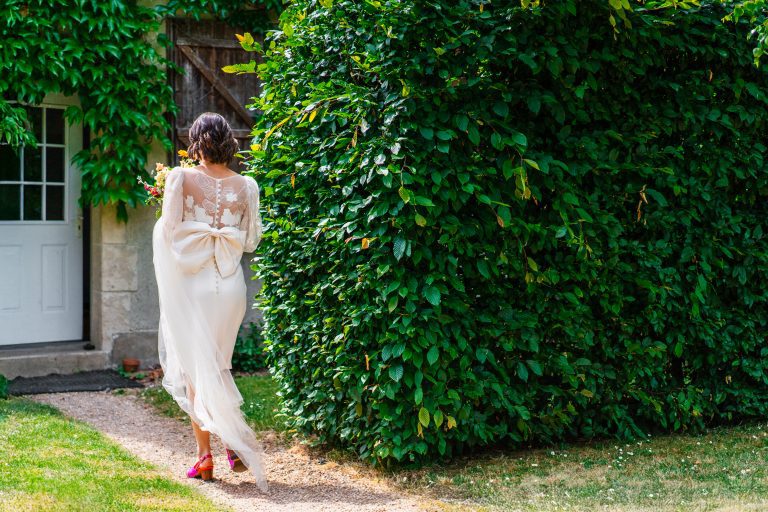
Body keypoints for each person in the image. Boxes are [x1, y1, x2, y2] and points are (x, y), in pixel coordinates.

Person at [152, 112, 267, 490]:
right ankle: (231, 440)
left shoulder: (180, 178)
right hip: (231, 288)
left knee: (192, 371)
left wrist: (194, 234)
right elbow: (250, 242)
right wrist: (222, 233)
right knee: (218, 367)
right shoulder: (247, 185)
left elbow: (168, 233)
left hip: (195, 286)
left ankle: (205, 457)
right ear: (229, 143)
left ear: (196, 142)